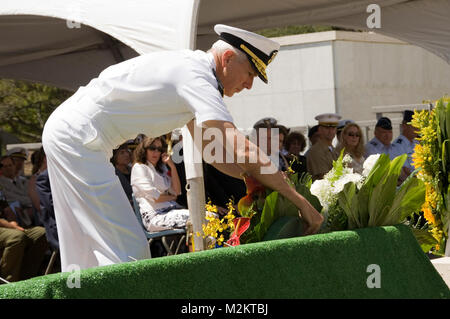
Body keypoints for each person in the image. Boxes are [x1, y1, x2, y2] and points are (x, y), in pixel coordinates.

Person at [42, 23, 323, 271]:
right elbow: (242, 149)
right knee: (128, 249)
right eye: (250, 73)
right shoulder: (197, 76)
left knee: (84, 249)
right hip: (79, 137)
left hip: (75, 133)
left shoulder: (195, 74)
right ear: (227, 58)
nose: (248, 85)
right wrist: (299, 201)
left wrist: (254, 180)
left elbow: (212, 153)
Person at [131, 136, 189, 231]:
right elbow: (155, 197)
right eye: (152, 148)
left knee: (208, 216)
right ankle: (200, 246)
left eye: (159, 149)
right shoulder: (139, 168)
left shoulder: (161, 169)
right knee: (198, 219)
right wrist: (172, 197)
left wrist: (172, 166)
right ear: (144, 150)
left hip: (171, 210)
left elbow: (177, 191)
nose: (156, 152)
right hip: (154, 216)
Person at [0, 189, 48, 282]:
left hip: (8, 227)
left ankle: (26, 279)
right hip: (6, 228)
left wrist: (13, 222)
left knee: (41, 233)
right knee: (16, 237)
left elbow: (8, 210)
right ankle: (7, 282)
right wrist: (12, 226)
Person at [0, 156, 34, 227]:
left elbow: (32, 196)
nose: (8, 168)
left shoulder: (24, 181)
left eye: (10, 165)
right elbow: (12, 199)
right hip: (16, 217)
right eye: (5, 166)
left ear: (14, 166)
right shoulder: (1, 184)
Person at [306, 113, 341, 180]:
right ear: (320, 130)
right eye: (327, 128)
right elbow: (323, 176)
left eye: (333, 128)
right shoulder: (316, 151)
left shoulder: (333, 149)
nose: (330, 131)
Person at [392, 110, 419, 183]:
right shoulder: (397, 146)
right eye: (414, 126)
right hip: (411, 183)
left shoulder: (416, 142)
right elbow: (405, 170)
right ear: (404, 126)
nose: (417, 130)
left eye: (418, 126)